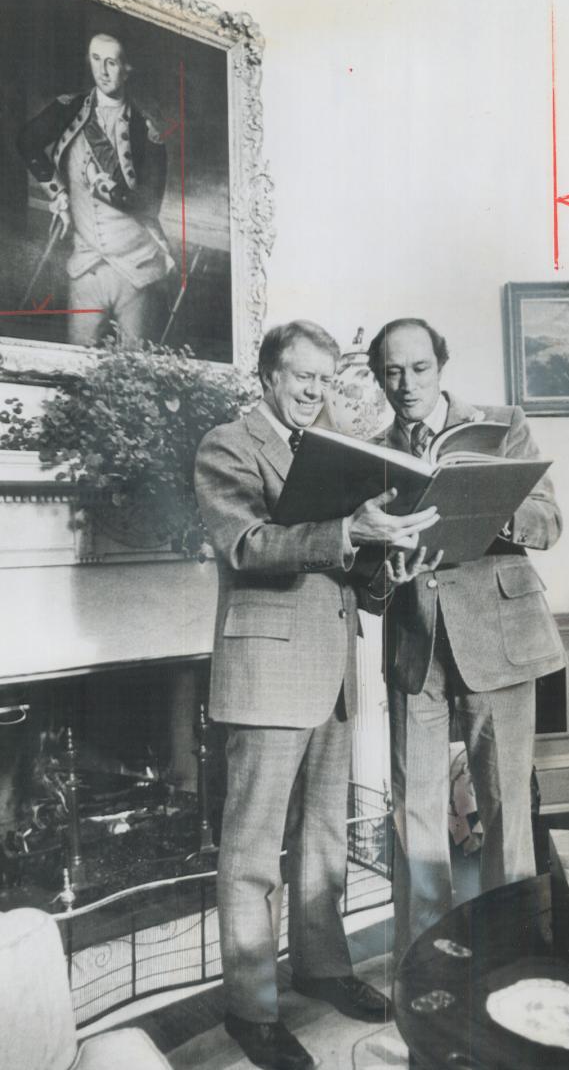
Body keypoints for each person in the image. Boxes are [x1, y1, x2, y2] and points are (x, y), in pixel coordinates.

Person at [195, 319, 439, 1070]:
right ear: (267, 375)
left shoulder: (332, 447)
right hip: (265, 675)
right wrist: (346, 531)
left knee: (325, 840)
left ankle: (324, 968)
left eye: (324, 379)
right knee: (250, 852)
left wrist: (380, 568)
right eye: (300, 376)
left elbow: (345, 566)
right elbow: (246, 545)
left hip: (333, 667)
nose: (312, 391)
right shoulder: (227, 445)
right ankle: (251, 1009)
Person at [367, 317, 566, 962]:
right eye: (392, 371)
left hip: (497, 636)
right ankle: (428, 966)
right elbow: (364, 568)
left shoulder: (501, 426)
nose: (406, 384)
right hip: (414, 646)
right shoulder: (371, 452)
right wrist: (382, 568)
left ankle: (513, 960)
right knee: (415, 816)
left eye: (419, 369)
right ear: (379, 376)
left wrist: (491, 503)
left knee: (508, 811)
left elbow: (548, 520)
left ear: (441, 367)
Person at [17, 32, 173, 345]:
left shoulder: (147, 128)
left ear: (127, 69)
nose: (102, 71)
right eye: (95, 59)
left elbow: (150, 203)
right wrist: (58, 192)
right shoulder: (69, 109)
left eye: (111, 62)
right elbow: (26, 142)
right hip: (85, 266)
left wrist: (107, 190)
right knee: (78, 364)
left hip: (137, 267)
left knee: (135, 370)